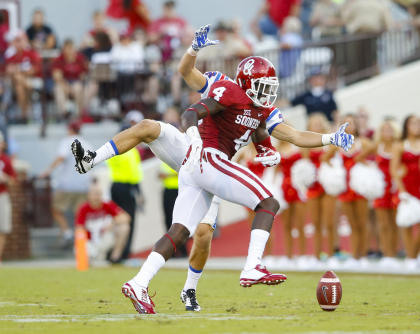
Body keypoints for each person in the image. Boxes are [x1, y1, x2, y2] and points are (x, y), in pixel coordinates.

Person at [71, 25, 353, 314]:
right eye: (262, 87)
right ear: (245, 83)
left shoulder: (262, 111)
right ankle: (253, 266)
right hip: (206, 156)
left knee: (183, 232)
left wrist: (329, 138)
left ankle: (140, 283)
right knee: (267, 201)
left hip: (199, 166)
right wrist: (193, 50)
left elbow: (292, 135)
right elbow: (188, 82)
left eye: (271, 88)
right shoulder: (228, 89)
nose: (268, 94)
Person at [323, 114, 370, 265]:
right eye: (345, 123)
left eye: (352, 123)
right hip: (345, 187)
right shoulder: (338, 143)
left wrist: (362, 160)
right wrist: (334, 171)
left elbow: (375, 148)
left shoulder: (363, 142)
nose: (349, 126)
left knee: (363, 222)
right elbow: (324, 159)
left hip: (360, 186)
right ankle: (355, 256)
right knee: (353, 223)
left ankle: (363, 256)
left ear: (356, 125)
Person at [41, 121, 91, 247]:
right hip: (83, 185)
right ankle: (79, 240)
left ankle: (67, 232)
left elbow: (61, 157)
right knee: (79, 214)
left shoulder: (68, 141)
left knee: (56, 209)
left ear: (70, 129)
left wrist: (48, 170)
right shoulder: (87, 143)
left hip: (66, 184)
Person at [361, 119, 399, 266]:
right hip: (381, 188)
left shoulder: (398, 146)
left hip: (395, 187)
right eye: (384, 129)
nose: (387, 132)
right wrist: (371, 170)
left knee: (395, 224)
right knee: (383, 224)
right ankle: (386, 255)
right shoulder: (377, 146)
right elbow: (359, 158)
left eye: (390, 129)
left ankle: (393, 254)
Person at [106, 115, 143, 260]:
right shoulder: (131, 151)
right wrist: (139, 192)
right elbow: (135, 174)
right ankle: (124, 252)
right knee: (129, 220)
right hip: (127, 188)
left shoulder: (113, 150)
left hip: (115, 186)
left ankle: (116, 250)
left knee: (116, 220)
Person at [304, 114, 337, 263]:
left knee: (329, 222)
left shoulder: (330, 143)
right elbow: (304, 164)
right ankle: (317, 256)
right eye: (313, 124)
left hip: (327, 184)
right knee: (316, 223)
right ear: (309, 127)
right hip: (313, 185)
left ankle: (331, 255)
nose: (316, 126)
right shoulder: (304, 144)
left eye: (319, 124)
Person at [391, 115, 420, 269]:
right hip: (407, 189)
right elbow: (394, 169)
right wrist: (401, 191)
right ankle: (410, 259)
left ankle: (414, 255)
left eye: (418, 123)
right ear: (406, 126)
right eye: (413, 123)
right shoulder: (400, 145)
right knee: (407, 223)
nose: (416, 125)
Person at [76, 183, 130, 263]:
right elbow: (79, 227)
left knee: (124, 227)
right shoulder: (84, 208)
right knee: (86, 256)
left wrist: (112, 224)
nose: (96, 197)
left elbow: (126, 217)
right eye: (94, 194)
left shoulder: (107, 205)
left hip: (105, 238)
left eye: (98, 194)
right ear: (89, 196)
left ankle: (115, 257)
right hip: (90, 241)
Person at [276, 140, 306, 262]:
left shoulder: (297, 146)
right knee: (287, 225)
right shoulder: (276, 149)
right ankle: (288, 256)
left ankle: (303, 255)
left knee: (300, 224)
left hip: (298, 187)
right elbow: (274, 170)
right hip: (284, 187)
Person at [5, 31, 41, 123]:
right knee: (18, 81)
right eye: (16, 41)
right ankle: (25, 114)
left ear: (25, 41)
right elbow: (9, 70)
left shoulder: (31, 53)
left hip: (32, 80)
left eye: (20, 40)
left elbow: (35, 70)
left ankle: (24, 115)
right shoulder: (11, 56)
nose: (18, 43)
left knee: (19, 87)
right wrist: (22, 71)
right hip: (22, 83)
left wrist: (19, 70)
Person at [52, 39, 88, 117]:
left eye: (71, 48)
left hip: (76, 82)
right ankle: (64, 113)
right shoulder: (59, 59)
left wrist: (77, 83)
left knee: (78, 88)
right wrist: (66, 86)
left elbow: (83, 75)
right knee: (58, 89)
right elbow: (57, 76)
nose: (70, 51)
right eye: (67, 48)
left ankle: (79, 114)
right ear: (63, 49)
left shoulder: (80, 58)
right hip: (64, 82)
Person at [0, 132, 16, 263]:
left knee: (3, 228)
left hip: (2, 195)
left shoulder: (6, 160)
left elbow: (13, 181)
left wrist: (4, 178)